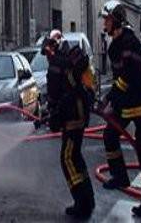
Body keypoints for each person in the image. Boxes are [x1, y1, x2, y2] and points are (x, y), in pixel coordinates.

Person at [98, 0, 141, 219]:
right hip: (127, 103)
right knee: (109, 135)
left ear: (116, 20)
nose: (104, 23)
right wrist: (110, 98)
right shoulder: (116, 44)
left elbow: (129, 77)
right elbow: (119, 80)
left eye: (107, 19)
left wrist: (110, 98)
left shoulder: (129, 43)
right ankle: (120, 176)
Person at [42, 29, 95, 219]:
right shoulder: (68, 62)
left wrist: (53, 114)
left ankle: (82, 202)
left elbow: (56, 96)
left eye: (46, 53)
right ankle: (88, 199)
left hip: (73, 116)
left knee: (67, 158)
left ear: (51, 50)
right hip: (79, 113)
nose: (46, 57)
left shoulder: (56, 66)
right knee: (75, 156)